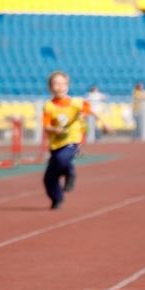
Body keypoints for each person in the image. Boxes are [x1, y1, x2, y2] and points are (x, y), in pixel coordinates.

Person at [41, 71, 111, 210]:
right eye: (56, 84)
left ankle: (70, 172)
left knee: (63, 158)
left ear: (67, 86)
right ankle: (57, 198)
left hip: (72, 140)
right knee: (49, 178)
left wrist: (104, 123)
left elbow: (91, 111)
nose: (60, 87)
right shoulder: (48, 106)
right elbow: (46, 126)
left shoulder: (76, 102)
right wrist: (55, 130)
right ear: (50, 88)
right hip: (55, 143)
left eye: (63, 84)